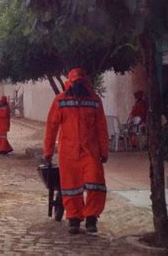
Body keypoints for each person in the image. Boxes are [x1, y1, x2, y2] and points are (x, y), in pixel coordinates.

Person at [44, 68, 108, 234]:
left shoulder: (95, 100)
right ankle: (74, 219)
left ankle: (91, 218)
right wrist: (48, 152)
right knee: (71, 187)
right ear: (70, 83)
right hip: (68, 152)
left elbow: (101, 127)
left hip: (90, 152)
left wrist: (104, 151)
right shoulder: (60, 100)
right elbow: (51, 127)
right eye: (75, 82)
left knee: (96, 184)